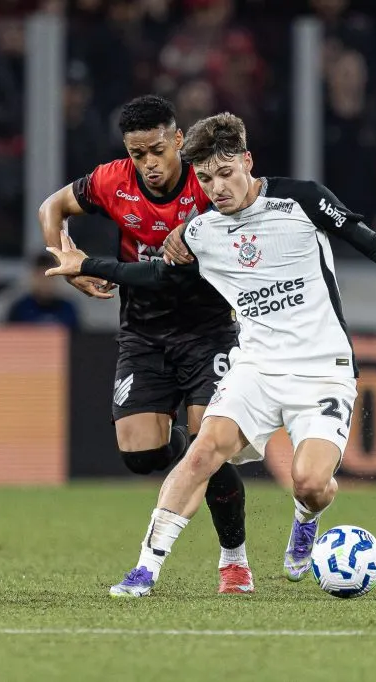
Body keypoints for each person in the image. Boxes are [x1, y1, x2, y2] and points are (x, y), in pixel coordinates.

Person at [45, 112, 376, 597]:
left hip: (322, 372)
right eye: (207, 179)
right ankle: (145, 569)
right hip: (254, 367)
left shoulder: (302, 200)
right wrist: (86, 263)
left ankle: (305, 517)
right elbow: (158, 279)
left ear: (247, 161)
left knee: (310, 483)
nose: (218, 188)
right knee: (201, 452)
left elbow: (371, 243)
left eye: (226, 173)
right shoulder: (199, 233)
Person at [38, 96, 254, 594]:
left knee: (210, 447)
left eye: (157, 150)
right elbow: (52, 207)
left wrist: (199, 228)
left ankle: (234, 559)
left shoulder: (208, 183)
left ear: (178, 140)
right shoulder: (113, 181)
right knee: (139, 453)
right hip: (144, 333)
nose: (148, 164)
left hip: (208, 331)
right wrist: (65, 256)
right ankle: (186, 451)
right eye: (137, 154)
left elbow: (246, 215)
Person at [7, 252, 81, 329]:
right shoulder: (20, 309)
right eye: (41, 278)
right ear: (33, 278)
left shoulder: (67, 309)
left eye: (49, 278)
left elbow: (78, 338)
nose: (45, 283)